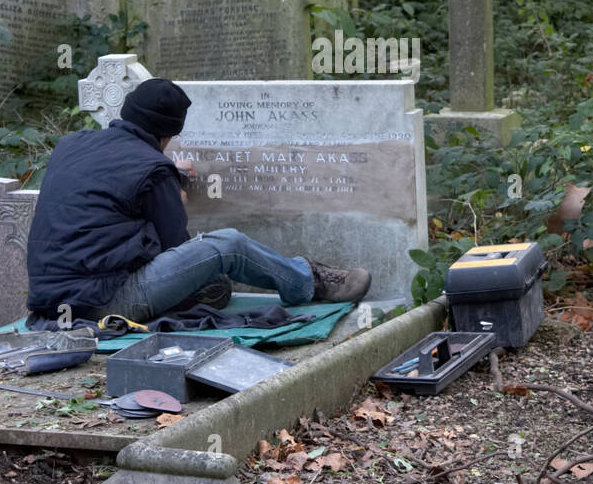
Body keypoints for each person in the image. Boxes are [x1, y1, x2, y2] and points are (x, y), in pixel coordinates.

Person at [25, 77, 372, 324]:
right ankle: (309, 283)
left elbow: (105, 185)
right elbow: (176, 249)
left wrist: (163, 175)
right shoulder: (153, 170)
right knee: (227, 246)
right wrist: (166, 186)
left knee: (216, 288)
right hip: (106, 301)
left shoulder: (72, 145)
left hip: (55, 303)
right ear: (168, 134)